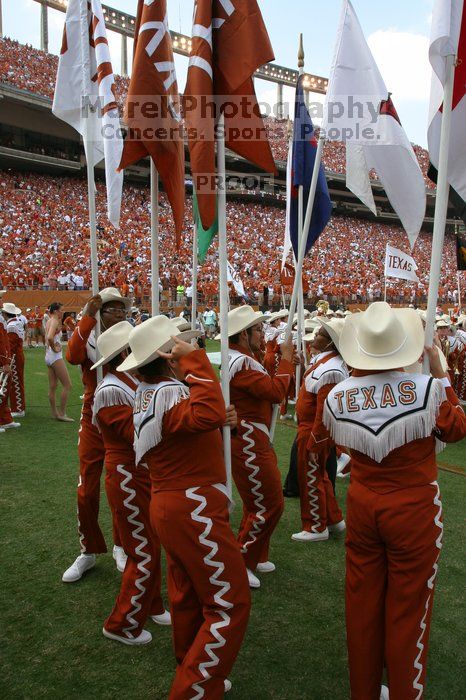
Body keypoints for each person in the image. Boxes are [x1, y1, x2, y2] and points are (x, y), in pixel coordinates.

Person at [324, 302, 466, 699]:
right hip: (414, 508)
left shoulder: (337, 396)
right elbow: (456, 429)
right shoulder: (427, 388)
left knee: (362, 605)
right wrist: (441, 372)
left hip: (364, 505)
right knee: (408, 611)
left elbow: (343, 447)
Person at [120, 315, 251, 696]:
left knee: (187, 595)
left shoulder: (152, 393)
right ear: (170, 358)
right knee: (229, 602)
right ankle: (193, 686)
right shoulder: (170, 393)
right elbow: (205, 412)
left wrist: (221, 419)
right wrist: (196, 362)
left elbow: (199, 421)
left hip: (172, 504)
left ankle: (190, 664)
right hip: (192, 506)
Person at [91, 321, 170, 645]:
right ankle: (121, 623)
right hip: (125, 474)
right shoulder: (110, 388)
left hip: (135, 471)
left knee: (149, 542)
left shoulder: (125, 382)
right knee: (143, 547)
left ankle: (149, 604)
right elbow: (133, 432)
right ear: (124, 352)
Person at [62, 288, 131, 583]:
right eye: (112, 311)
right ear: (100, 313)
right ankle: (87, 550)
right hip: (92, 417)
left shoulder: (130, 336)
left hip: (122, 415)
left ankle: (121, 545)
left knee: (120, 483)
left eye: (121, 311)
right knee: (87, 488)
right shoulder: (88, 335)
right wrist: (88, 316)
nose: (118, 316)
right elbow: (72, 355)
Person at [224, 306, 295, 588]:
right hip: (249, 439)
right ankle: (242, 560)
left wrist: (284, 364)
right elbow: (275, 392)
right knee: (269, 503)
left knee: (258, 502)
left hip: (249, 436)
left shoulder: (241, 358)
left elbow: (266, 383)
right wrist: (287, 362)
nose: (262, 333)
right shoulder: (241, 363)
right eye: (257, 329)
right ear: (243, 334)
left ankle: (255, 552)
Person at [292, 318, 347, 542]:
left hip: (313, 431)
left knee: (311, 478)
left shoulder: (332, 368)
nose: (315, 337)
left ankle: (316, 526)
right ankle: (333, 520)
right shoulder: (325, 362)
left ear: (330, 342)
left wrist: (315, 439)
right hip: (309, 429)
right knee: (320, 477)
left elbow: (324, 411)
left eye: (320, 335)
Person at [45, 302, 73, 422]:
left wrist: (51, 347)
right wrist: (54, 347)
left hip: (49, 356)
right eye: (62, 310)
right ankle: (61, 413)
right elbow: (50, 337)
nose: (63, 312)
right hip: (55, 356)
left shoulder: (49, 320)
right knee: (67, 385)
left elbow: (49, 337)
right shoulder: (55, 321)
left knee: (53, 387)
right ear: (56, 311)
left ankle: (55, 413)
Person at [2, 302, 26, 418]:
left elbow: (11, 345)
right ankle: (19, 406)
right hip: (18, 355)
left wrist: (6, 359)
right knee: (17, 381)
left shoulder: (11, 326)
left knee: (15, 382)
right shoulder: (17, 323)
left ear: (6, 314)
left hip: (14, 357)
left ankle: (18, 408)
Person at [0, 291, 19, 432]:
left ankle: (5, 419)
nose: (1, 301)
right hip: (2, 359)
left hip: (4, 357)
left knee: (4, 389)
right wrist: (4, 361)